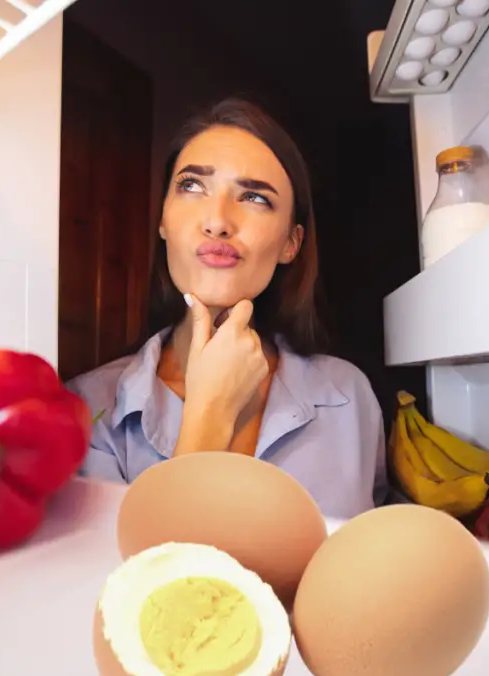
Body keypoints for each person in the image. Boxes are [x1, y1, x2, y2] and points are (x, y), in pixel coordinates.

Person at [66, 97, 388, 519]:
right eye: (192, 186)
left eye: (254, 197)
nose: (217, 221)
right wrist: (209, 414)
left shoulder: (349, 395)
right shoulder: (87, 410)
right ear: (163, 219)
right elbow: (134, 580)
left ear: (291, 243)